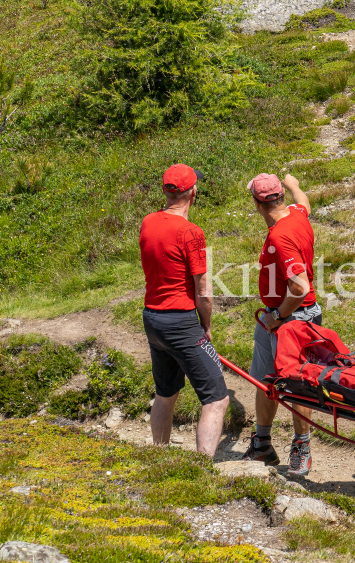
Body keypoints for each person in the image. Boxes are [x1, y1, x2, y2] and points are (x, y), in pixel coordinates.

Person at [139, 164, 229, 457]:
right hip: (181, 321)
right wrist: (206, 326)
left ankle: (160, 457)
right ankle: (203, 468)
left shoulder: (148, 222)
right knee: (216, 399)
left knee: (166, 394)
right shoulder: (191, 232)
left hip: (152, 318)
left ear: (165, 190)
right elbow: (203, 291)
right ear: (193, 192)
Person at [242, 173, 322, 477]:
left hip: (292, 320)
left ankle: (302, 446)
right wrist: (294, 184)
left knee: (297, 385)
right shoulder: (296, 214)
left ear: (257, 204)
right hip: (272, 317)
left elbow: (299, 287)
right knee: (264, 379)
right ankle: (262, 442)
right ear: (280, 198)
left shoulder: (280, 236)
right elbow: (305, 203)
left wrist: (279, 317)